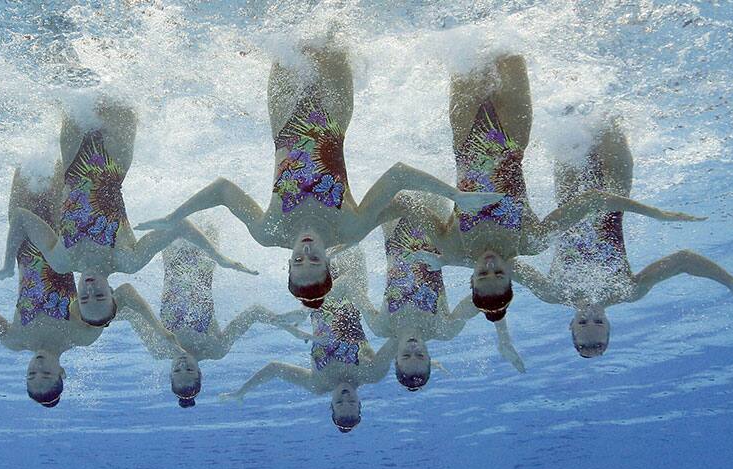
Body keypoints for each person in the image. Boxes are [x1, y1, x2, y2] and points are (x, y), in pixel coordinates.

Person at [132, 37, 504, 309]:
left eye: (298, 262)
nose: (306, 253)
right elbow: (399, 176)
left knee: (287, 32)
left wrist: (175, 216)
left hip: (283, 118)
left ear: (288, 263)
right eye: (315, 261)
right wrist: (455, 197)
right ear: (329, 262)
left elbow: (224, 191)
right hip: (334, 115)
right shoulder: (349, 229)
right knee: (330, 31)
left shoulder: (269, 231)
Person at [391, 53, 705, 324]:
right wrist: (656, 213)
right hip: (513, 138)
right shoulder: (532, 239)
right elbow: (593, 200)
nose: (490, 266)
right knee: (507, 50)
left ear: (471, 279)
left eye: (482, 275)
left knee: (464, 48)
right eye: (498, 274)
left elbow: (405, 203)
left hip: (464, 137)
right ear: (511, 275)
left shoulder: (454, 247)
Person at [0, 166, 184, 405]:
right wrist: (158, 331)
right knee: (56, 160)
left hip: (22, 231)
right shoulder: (79, 335)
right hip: (59, 227)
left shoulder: (15, 339)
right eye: (46, 375)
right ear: (61, 373)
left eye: (31, 375)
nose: (37, 369)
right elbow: (125, 297)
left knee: (28, 160)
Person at [0, 97, 258, 327]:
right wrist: (218, 257)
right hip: (115, 156)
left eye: (85, 298)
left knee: (72, 85)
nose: (90, 290)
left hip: (73, 152)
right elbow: (180, 228)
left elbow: (20, 217)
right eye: (99, 297)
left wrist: (8, 264)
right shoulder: (128, 261)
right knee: (118, 87)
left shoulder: (62, 261)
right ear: (112, 293)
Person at [511, 121, 733, 357]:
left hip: (570, 198)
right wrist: (730, 282)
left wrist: (486, 301)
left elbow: (504, 266)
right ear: (609, 324)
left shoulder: (552, 292)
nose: (590, 315)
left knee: (568, 120)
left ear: (571, 324)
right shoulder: (630, 291)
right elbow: (683, 261)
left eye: (582, 322)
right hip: (616, 194)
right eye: (598, 322)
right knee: (607, 120)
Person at [332, 194, 525, 390]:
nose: (413, 348)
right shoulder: (443, 328)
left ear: (396, 358)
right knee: (431, 179)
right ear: (429, 356)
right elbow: (485, 301)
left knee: (397, 179)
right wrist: (504, 339)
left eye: (406, 355)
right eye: (420, 355)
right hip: (434, 224)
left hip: (394, 223)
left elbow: (349, 283)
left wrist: (316, 300)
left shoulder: (382, 326)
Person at [118, 236, 312, 407]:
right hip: (204, 256)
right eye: (190, 369)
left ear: (170, 373)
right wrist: (284, 325)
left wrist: (92, 321)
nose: (183, 363)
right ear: (200, 372)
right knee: (203, 213)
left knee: (175, 214)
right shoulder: (214, 349)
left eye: (178, 369)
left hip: (172, 254)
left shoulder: (159, 349)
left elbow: (129, 312)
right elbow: (254, 313)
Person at [220, 293, 398, 433]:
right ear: (359, 403)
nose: (345, 397)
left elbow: (274, 368)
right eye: (351, 403)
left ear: (331, 405)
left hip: (315, 298)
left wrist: (241, 391)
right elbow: (398, 339)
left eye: (339, 403)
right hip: (348, 294)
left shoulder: (317, 384)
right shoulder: (372, 373)